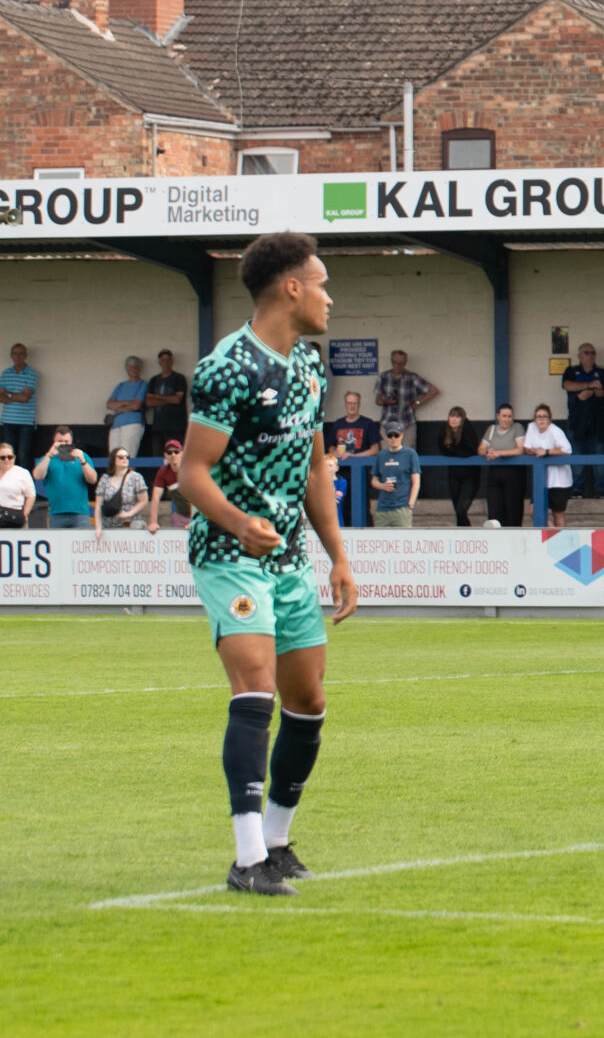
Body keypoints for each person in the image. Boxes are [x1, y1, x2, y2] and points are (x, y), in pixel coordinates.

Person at [178, 230, 359, 896]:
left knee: (307, 699)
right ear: (291, 287)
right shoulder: (227, 368)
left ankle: (278, 840)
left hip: (288, 558)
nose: (328, 296)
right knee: (254, 683)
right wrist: (236, 521)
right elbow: (191, 474)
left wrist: (338, 556)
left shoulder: (310, 367)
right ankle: (246, 856)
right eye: (321, 282)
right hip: (229, 552)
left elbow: (316, 471)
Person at [560, 342, 604, 498]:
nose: (590, 356)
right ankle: (577, 490)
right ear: (579, 355)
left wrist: (590, 392)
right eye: (587, 352)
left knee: (600, 457)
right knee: (576, 457)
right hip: (576, 421)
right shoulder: (571, 370)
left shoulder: (603, 371)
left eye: (593, 352)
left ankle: (601, 490)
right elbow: (567, 385)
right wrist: (590, 385)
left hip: (598, 422)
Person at [427, 407, 482, 527]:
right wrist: (455, 452)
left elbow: (471, 451)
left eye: (458, 416)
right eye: (452, 416)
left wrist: (454, 450)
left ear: (463, 419)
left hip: (471, 476)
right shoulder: (444, 431)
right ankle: (462, 537)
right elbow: (443, 450)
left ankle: (467, 536)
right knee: (458, 512)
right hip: (454, 475)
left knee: (461, 509)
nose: (454, 419)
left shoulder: (468, 430)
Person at [478, 403, 529, 529]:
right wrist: (488, 452)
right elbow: (481, 449)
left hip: (514, 474)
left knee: (513, 510)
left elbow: (520, 449)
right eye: (504, 416)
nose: (507, 419)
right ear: (498, 416)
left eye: (510, 416)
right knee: (495, 511)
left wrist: (499, 453)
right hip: (495, 474)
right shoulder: (491, 430)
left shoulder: (517, 428)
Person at [32, 427, 96, 528]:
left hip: (80, 512)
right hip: (56, 512)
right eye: (60, 441)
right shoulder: (48, 458)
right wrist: (49, 455)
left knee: (79, 543)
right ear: (54, 441)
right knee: (57, 543)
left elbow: (92, 479)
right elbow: (37, 476)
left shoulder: (82, 456)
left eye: (66, 441)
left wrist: (82, 460)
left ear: (71, 441)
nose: (64, 444)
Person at [522, 404, 573, 527]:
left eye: (544, 417)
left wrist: (546, 452)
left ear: (550, 419)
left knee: (558, 513)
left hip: (559, 480)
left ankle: (561, 540)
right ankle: (554, 532)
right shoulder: (532, 427)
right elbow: (527, 448)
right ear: (534, 419)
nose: (541, 419)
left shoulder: (555, 431)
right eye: (539, 417)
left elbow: (567, 450)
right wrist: (536, 451)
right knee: (533, 511)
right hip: (541, 480)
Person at [371, 349, 439, 436]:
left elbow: (434, 391)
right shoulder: (383, 377)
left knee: (407, 450)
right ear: (391, 361)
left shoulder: (412, 378)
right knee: (386, 450)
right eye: (395, 362)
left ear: (405, 363)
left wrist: (418, 402)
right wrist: (386, 402)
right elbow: (378, 401)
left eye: (401, 363)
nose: (397, 366)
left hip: (406, 423)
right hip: (387, 423)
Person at [370, 422, 420, 527]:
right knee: (380, 541)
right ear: (386, 437)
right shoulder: (381, 455)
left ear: (402, 435)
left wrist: (410, 505)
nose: (393, 439)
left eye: (396, 435)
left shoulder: (410, 454)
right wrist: (382, 486)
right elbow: (374, 480)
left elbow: (416, 482)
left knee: (403, 540)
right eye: (390, 436)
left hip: (402, 507)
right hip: (382, 508)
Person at [91, 445, 148, 534]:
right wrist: (98, 527)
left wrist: (129, 513)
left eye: (127, 457)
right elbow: (98, 505)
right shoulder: (105, 479)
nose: (125, 459)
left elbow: (143, 501)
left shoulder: (136, 477)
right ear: (113, 460)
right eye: (120, 457)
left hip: (130, 526)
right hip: (109, 527)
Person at [144, 348, 190, 453]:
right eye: (163, 360)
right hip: (158, 426)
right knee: (158, 458)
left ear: (172, 361)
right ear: (159, 362)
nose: (166, 362)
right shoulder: (154, 380)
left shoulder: (179, 378)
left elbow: (177, 399)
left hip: (176, 425)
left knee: (176, 456)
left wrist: (157, 397)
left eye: (169, 360)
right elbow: (149, 402)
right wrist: (169, 398)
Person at [106, 355, 149, 458]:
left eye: (137, 366)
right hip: (116, 424)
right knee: (113, 457)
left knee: (127, 456)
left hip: (133, 422)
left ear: (140, 369)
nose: (134, 369)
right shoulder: (121, 385)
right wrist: (127, 403)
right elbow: (109, 404)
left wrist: (119, 406)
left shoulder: (143, 384)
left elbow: (136, 405)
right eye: (131, 366)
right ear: (126, 368)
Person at [0, 342, 37, 458]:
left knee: (23, 455)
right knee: (8, 455)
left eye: (21, 354)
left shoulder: (32, 373)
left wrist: (8, 394)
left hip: (26, 422)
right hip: (7, 421)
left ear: (25, 355)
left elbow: (25, 398)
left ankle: (23, 477)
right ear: (11, 355)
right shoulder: (5, 373)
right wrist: (18, 395)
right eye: (15, 354)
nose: (18, 356)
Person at [326, 391, 379, 462]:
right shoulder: (338, 423)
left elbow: (375, 450)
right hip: (340, 467)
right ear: (345, 405)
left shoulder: (368, 423)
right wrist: (334, 452)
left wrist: (354, 456)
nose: (352, 406)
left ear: (359, 404)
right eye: (349, 403)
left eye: (355, 403)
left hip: (360, 468)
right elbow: (331, 447)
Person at [148, 438, 189, 531]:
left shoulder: (189, 469)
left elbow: (195, 497)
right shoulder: (163, 472)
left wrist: (193, 520)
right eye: (169, 452)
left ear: (182, 453)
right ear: (165, 455)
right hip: (180, 516)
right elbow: (155, 498)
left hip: (199, 515)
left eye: (176, 452)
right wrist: (153, 522)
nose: (173, 455)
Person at [0, 443, 32, 529]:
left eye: (9, 457)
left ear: (14, 457)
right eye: (2, 457)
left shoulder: (22, 473)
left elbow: (31, 496)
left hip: (15, 517)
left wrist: (24, 515)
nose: (6, 460)